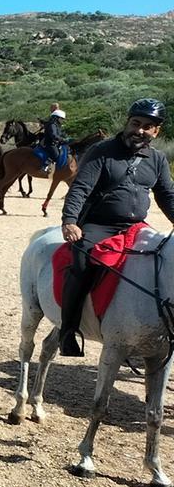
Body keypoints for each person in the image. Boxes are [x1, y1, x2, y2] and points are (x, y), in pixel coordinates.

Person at [58, 98, 174, 357]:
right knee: (83, 260)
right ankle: (67, 330)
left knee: (164, 261)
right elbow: (81, 188)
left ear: (157, 131)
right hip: (100, 225)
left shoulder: (157, 159)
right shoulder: (102, 151)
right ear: (127, 122)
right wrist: (70, 221)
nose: (139, 130)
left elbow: (166, 195)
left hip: (136, 226)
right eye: (135, 123)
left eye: (147, 126)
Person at [39, 108, 67, 174]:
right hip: (49, 143)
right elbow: (54, 135)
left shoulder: (57, 125)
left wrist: (66, 137)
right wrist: (61, 139)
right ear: (56, 118)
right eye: (61, 118)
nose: (62, 120)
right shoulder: (52, 125)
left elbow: (60, 133)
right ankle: (45, 167)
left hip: (55, 143)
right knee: (56, 155)